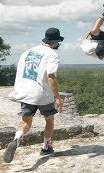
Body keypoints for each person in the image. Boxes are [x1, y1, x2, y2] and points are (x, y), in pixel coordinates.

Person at [4, 27, 64, 163]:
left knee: (25, 122)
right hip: (42, 95)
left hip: (25, 92)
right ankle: (46, 147)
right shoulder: (52, 55)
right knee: (49, 120)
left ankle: (16, 140)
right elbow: (51, 77)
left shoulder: (27, 52)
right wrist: (58, 98)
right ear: (55, 41)